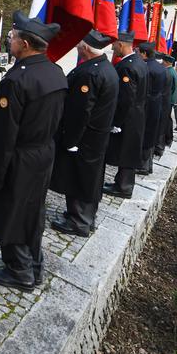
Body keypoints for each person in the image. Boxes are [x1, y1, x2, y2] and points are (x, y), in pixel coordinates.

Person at [0, 11, 67, 291]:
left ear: (25, 44)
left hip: (19, 156)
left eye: (13, 37)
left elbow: (4, 136)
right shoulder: (55, 72)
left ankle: (19, 270)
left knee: (12, 211)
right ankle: (35, 265)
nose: (10, 40)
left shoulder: (16, 81)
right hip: (43, 153)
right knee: (32, 211)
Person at [48, 30, 119, 238]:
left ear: (86, 48)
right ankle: (85, 217)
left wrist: (70, 140)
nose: (77, 47)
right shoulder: (105, 68)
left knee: (80, 178)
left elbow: (80, 112)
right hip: (96, 136)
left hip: (85, 139)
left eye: (80, 44)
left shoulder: (90, 73)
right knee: (91, 177)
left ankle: (79, 221)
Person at [103, 31, 148, 199]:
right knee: (129, 150)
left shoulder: (127, 66)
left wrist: (117, 121)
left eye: (114, 44)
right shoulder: (138, 61)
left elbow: (125, 98)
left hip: (129, 116)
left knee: (127, 151)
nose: (112, 47)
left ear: (121, 45)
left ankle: (124, 186)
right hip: (137, 113)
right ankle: (121, 182)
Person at [138, 42, 166, 174]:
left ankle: (143, 165)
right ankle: (147, 165)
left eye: (139, 52)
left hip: (147, 105)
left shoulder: (146, 68)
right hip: (157, 103)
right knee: (151, 134)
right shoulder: (160, 67)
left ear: (144, 53)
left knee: (144, 134)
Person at [158, 52, 177, 153]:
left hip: (168, 100)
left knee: (166, 120)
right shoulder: (172, 70)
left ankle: (168, 138)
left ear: (166, 62)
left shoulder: (169, 72)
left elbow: (172, 87)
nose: (162, 63)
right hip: (171, 99)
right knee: (168, 119)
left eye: (163, 61)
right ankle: (168, 138)